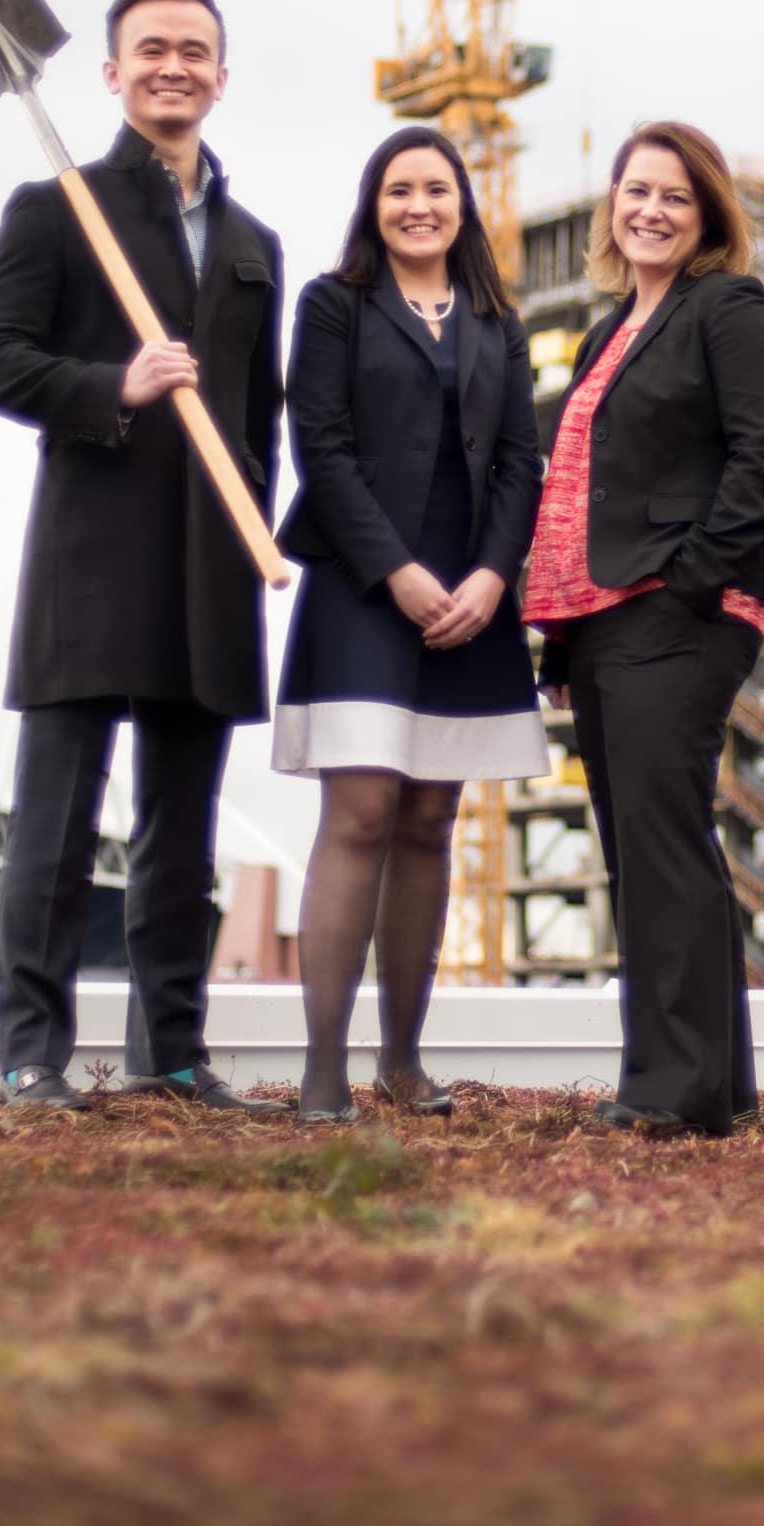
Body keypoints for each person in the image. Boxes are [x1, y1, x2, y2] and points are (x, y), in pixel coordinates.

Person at [0, 0, 290, 1116]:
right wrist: (118, 383)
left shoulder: (254, 245)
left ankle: (173, 1055)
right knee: (52, 827)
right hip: (89, 561)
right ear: (110, 71)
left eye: (194, 51)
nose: (173, 67)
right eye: (150, 49)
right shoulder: (54, 208)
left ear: (220, 75)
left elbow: (262, 414)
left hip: (210, 566)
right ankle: (30, 1055)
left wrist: (257, 503)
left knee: (181, 836)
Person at [522, 122, 764, 1139]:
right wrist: (561, 636)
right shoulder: (604, 333)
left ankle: (668, 1090)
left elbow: (761, 458)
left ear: (707, 214)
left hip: (674, 613)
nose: (650, 210)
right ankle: (709, 1084)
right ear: (610, 205)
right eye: (635, 191)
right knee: (650, 851)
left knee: (663, 844)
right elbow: (580, 492)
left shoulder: (726, 308)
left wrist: (687, 580)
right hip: (599, 624)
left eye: (675, 196)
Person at [273, 127, 548, 1123]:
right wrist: (394, 571)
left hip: (470, 602)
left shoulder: (496, 323)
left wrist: (489, 577)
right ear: (372, 204)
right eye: (398, 190)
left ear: (463, 205)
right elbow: (323, 448)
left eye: (436, 189)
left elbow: (522, 460)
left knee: (431, 822)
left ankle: (401, 1060)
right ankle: (319, 1070)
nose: (418, 205)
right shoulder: (332, 306)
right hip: (363, 592)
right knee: (357, 816)